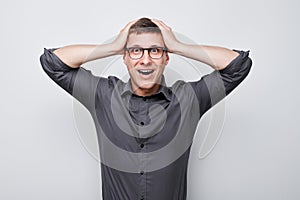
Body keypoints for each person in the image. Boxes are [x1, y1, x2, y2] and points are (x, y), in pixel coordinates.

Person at [40, 17, 252, 200]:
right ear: (125, 58)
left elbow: (238, 66)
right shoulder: (103, 95)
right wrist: (113, 46)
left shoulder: (189, 99)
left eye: (155, 50)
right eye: (135, 51)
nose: (145, 60)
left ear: (166, 58)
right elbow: (53, 62)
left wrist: (179, 46)